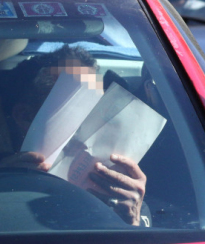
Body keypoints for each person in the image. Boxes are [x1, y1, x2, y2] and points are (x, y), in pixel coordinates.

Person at [0, 45, 148, 226]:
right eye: (81, 108)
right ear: (25, 116)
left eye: (101, 110)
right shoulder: (6, 181)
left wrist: (131, 222)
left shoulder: (125, 196)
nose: (95, 125)